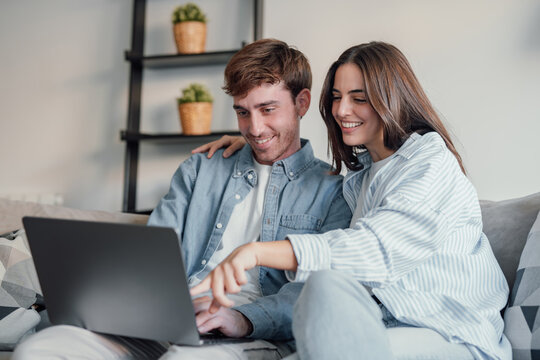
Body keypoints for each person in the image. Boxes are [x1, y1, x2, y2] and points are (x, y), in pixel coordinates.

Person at [12, 39, 351, 360]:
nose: (255, 127)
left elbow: (313, 295)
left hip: (246, 332)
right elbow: (151, 255)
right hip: (162, 322)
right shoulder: (200, 169)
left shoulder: (333, 192)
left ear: (302, 102)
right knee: (41, 349)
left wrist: (242, 318)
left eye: (267, 109)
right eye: (243, 112)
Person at [190, 42, 511, 359]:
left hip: (450, 333)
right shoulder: (359, 180)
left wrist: (256, 252)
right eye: (336, 97)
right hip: (384, 329)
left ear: (392, 98)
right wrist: (251, 148)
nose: (342, 110)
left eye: (359, 98)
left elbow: (375, 251)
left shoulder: (430, 163)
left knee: (325, 286)